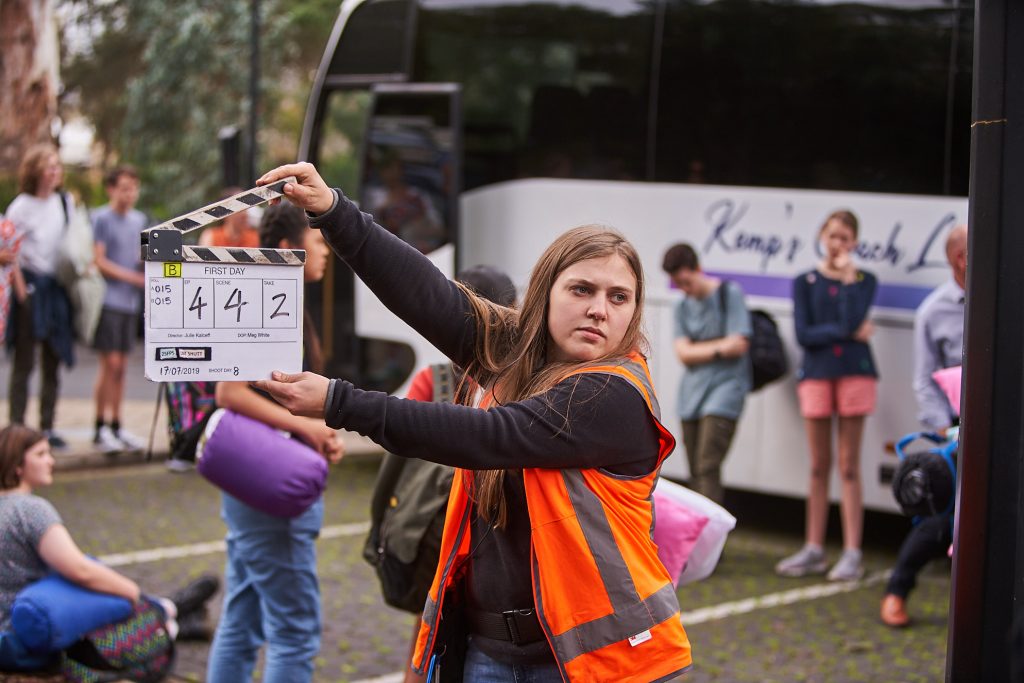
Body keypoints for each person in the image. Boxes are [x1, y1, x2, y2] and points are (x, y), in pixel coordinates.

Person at [254, 162, 693, 682]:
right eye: (582, 289)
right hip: (490, 650)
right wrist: (333, 211)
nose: (599, 309)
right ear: (545, 293)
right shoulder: (520, 351)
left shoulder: (615, 393)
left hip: (594, 663)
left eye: (618, 298)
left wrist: (340, 403)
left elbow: (488, 437)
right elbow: (431, 297)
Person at [205, 201, 344, 683]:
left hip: (252, 478)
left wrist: (316, 431)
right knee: (294, 631)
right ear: (288, 248)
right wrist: (310, 428)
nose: (326, 250)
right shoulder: (269, 303)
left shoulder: (278, 303)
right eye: (318, 239)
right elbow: (229, 392)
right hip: (270, 484)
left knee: (242, 620)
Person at [0, 424, 218, 673]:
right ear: (17, 465)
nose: (50, 461)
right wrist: (135, 594)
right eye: (40, 455)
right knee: (96, 587)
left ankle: (174, 614)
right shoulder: (29, 510)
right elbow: (79, 569)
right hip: (27, 637)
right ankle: (166, 611)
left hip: (10, 636)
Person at [776, 209, 877, 582]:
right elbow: (804, 334)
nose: (838, 244)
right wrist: (848, 332)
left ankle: (852, 552)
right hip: (816, 375)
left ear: (855, 243)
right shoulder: (805, 280)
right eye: (833, 236)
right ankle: (814, 549)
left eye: (845, 239)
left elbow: (852, 320)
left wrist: (850, 282)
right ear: (822, 235)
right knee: (819, 465)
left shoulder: (865, 280)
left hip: (856, 374)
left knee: (849, 466)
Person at [880, 224, 967, 628]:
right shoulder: (935, 309)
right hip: (955, 433)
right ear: (959, 258)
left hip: (1003, 431)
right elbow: (924, 378)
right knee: (941, 517)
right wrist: (947, 430)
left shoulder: (1004, 295)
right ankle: (897, 591)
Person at [661, 243, 751, 505]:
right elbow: (683, 354)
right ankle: (697, 536)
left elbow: (740, 344)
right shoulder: (681, 306)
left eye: (686, 281)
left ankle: (710, 541)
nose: (684, 289)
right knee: (694, 471)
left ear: (698, 269)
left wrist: (696, 350)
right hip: (691, 397)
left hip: (726, 390)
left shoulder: (728, 294)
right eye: (677, 284)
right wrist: (721, 347)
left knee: (707, 465)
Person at [4, 144, 75, 450]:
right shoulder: (21, 206)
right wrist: (21, 292)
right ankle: (16, 428)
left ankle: (47, 427)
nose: (54, 172)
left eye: (57, 166)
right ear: (35, 171)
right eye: (48, 166)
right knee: (25, 361)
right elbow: (10, 250)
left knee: (53, 357)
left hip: (56, 287)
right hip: (31, 287)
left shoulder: (64, 202)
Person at [90, 165, 148, 454]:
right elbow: (99, 261)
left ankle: (116, 424)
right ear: (111, 188)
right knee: (109, 365)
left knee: (122, 367)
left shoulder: (139, 220)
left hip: (131, 304)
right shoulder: (101, 218)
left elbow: (139, 257)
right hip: (108, 301)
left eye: (133, 188)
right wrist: (133, 278)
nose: (130, 194)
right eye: (124, 187)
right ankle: (99, 426)